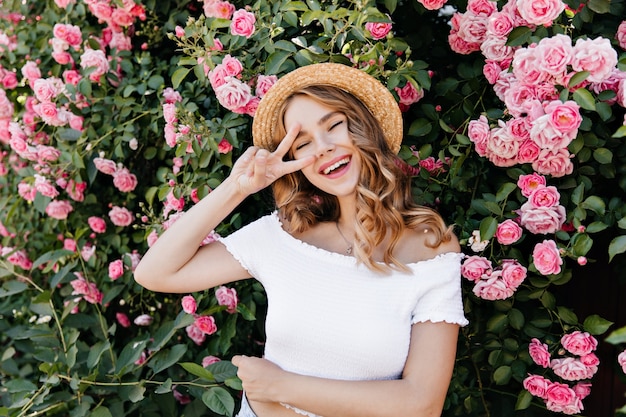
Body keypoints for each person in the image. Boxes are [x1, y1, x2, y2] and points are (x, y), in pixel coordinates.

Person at [134, 62, 468, 417]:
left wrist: (278, 387)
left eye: (334, 126)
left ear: (363, 128)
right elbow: (155, 273)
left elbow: (422, 405)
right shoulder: (282, 237)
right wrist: (237, 188)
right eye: (303, 143)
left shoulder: (431, 249)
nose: (322, 148)